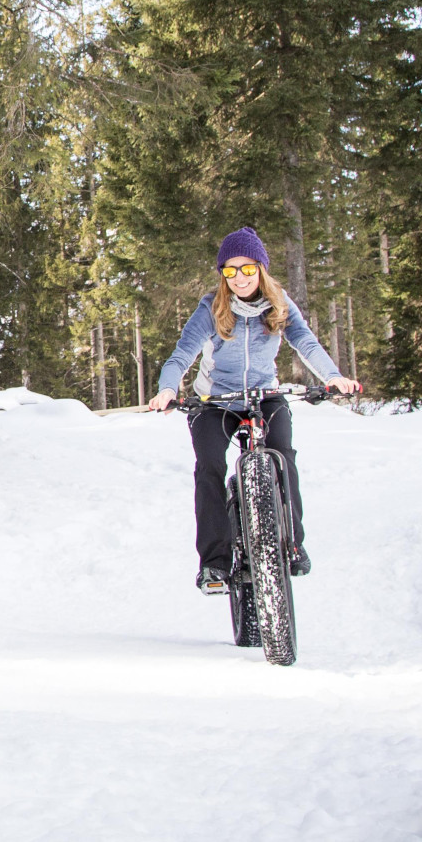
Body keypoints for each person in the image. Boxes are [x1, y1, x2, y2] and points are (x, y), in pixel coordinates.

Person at [146, 227, 362, 594]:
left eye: (247, 269)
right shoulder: (211, 307)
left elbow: (305, 342)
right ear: (223, 274)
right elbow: (183, 353)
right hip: (215, 403)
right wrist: (168, 388)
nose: (240, 277)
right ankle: (214, 564)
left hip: (264, 396)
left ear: (261, 268)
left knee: (283, 455)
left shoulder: (279, 304)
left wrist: (333, 377)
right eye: (230, 271)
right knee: (210, 467)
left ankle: (292, 543)